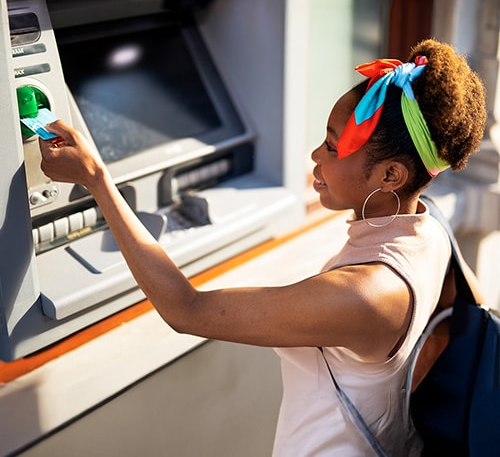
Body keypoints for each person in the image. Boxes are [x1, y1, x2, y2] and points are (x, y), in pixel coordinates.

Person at [39, 38, 486, 456]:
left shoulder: (365, 294)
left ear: (390, 177)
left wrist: (97, 180)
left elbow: (186, 310)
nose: (315, 155)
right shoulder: (429, 232)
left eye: (332, 146)